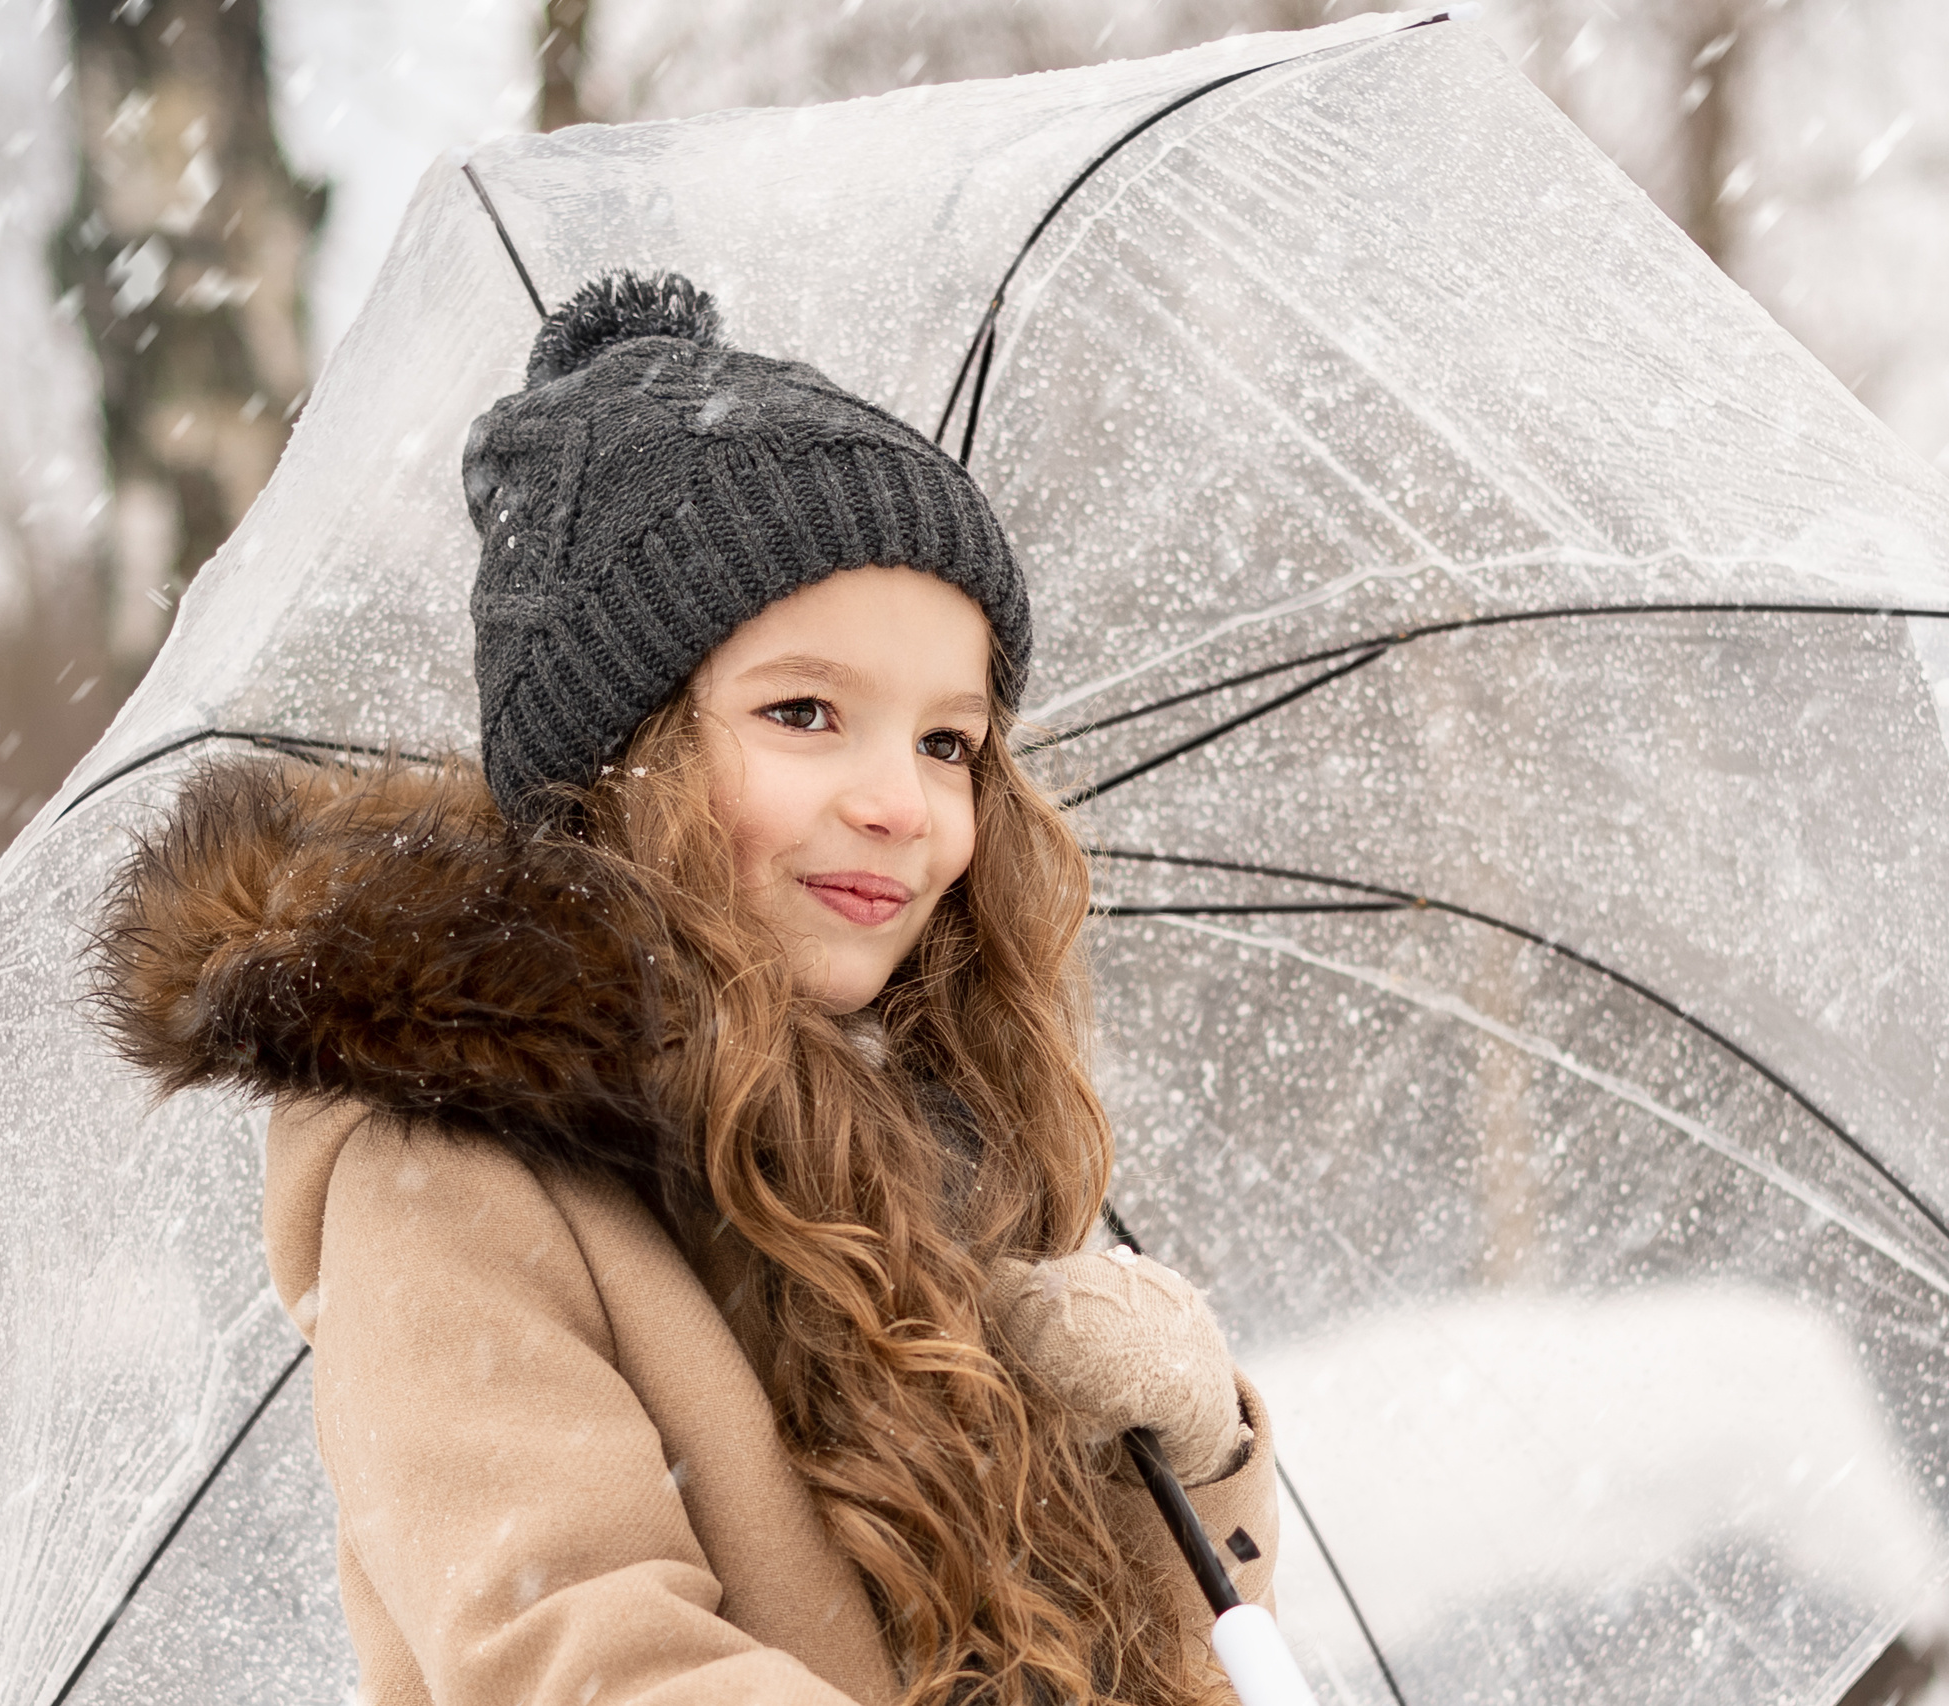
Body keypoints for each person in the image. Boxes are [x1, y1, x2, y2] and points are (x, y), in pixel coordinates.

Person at [95, 271, 1277, 1706]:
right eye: (803, 712)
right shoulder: (450, 1180)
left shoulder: (929, 1146)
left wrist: (1199, 1449)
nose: (901, 803)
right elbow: (587, 1659)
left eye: (948, 743)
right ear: (623, 754)